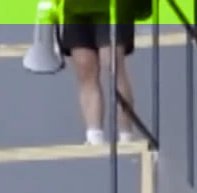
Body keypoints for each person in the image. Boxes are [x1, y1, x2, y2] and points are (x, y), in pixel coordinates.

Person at [58, 0, 152, 145]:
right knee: (84, 66)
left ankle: (125, 135)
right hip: (75, 7)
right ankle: (94, 134)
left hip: (112, 5)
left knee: (112, 63)